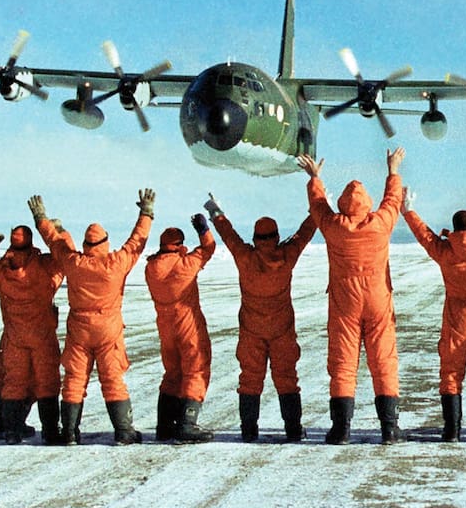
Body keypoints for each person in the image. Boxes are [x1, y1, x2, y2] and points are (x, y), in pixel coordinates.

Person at [299, 147, 405, 445]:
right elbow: (393, 201)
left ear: (343, 205)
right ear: (367, 204)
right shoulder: (381, 223)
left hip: (345, 300)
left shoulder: (334, 226)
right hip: (378, 298)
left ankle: (341, 428)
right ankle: (389, 428)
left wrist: (315, 178)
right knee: (383, 359)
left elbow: (318, 206)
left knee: (344, 361)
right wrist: (393, 170)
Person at [31, 191, 154, 446]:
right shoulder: (116, 263)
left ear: (86, 245)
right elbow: (136, 242)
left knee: (74, 380)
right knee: (112, 379)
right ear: (105, 243)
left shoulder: (74, 263)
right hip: (108, 328)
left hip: (79, 329)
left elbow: (55, 243)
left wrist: (41, 218)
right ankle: (123, 431)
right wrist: (146, 213)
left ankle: (69, 433)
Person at [401, 180, 466, 444]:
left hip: (456, 317)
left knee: (450, 372)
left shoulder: (446, 251)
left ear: (456, 227)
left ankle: (451, 429)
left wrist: (408, 211)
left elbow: (425, 236)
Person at [205, 193, 316, 442]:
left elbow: (229, 236)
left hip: (251, 331)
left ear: (255, 238)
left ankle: (248, 429)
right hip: (282, 330)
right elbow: (304, 234)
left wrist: (215, 212)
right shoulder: (287, 256)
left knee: (250, 379)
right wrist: (317, 209)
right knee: (287, 378)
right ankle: (293, 430)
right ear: (276, 237)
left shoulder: (245, 257)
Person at [0, 224, 65, 445]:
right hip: (42, 333)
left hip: (15, 335)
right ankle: (51, 432)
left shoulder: (2, 270)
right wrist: (58, 233)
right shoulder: (44, 266)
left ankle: (11, 431)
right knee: (47, 381)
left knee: (13, 381)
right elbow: (65, 260)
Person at [145, 213, 216, 443]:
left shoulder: (151, 268)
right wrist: (203, 230)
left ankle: (164, 425)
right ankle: (187, 423)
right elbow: (209, 249)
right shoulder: (186, 264)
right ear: (179, 245)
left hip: (166, 328)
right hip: (188, 325)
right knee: (196, 369)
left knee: (172, 373)